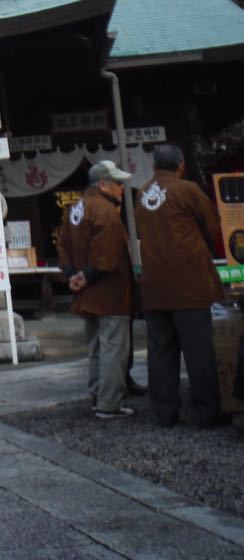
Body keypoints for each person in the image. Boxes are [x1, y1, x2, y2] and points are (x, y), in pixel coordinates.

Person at [134, 144, 224, 428]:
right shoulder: (187, 190)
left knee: (161, 350)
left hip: (154, 283)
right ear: (181, 164)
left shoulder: (142, 193)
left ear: (155, 165)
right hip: (188, 282)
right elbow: (212, 226)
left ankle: (165, 411)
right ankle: (206, 411)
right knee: (198, 350)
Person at [58, 159, 135, 420]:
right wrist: (87, 275)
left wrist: (72, 275)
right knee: (113, 348)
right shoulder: (105, 210)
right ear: (103, 185)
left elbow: (63, 245)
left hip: (85, 292)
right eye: (117, 183)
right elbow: (108, 253)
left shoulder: (74, 208)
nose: (122, 188)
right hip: (108, 292)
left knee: (96, 348)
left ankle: (97, 395)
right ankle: (109, 403)